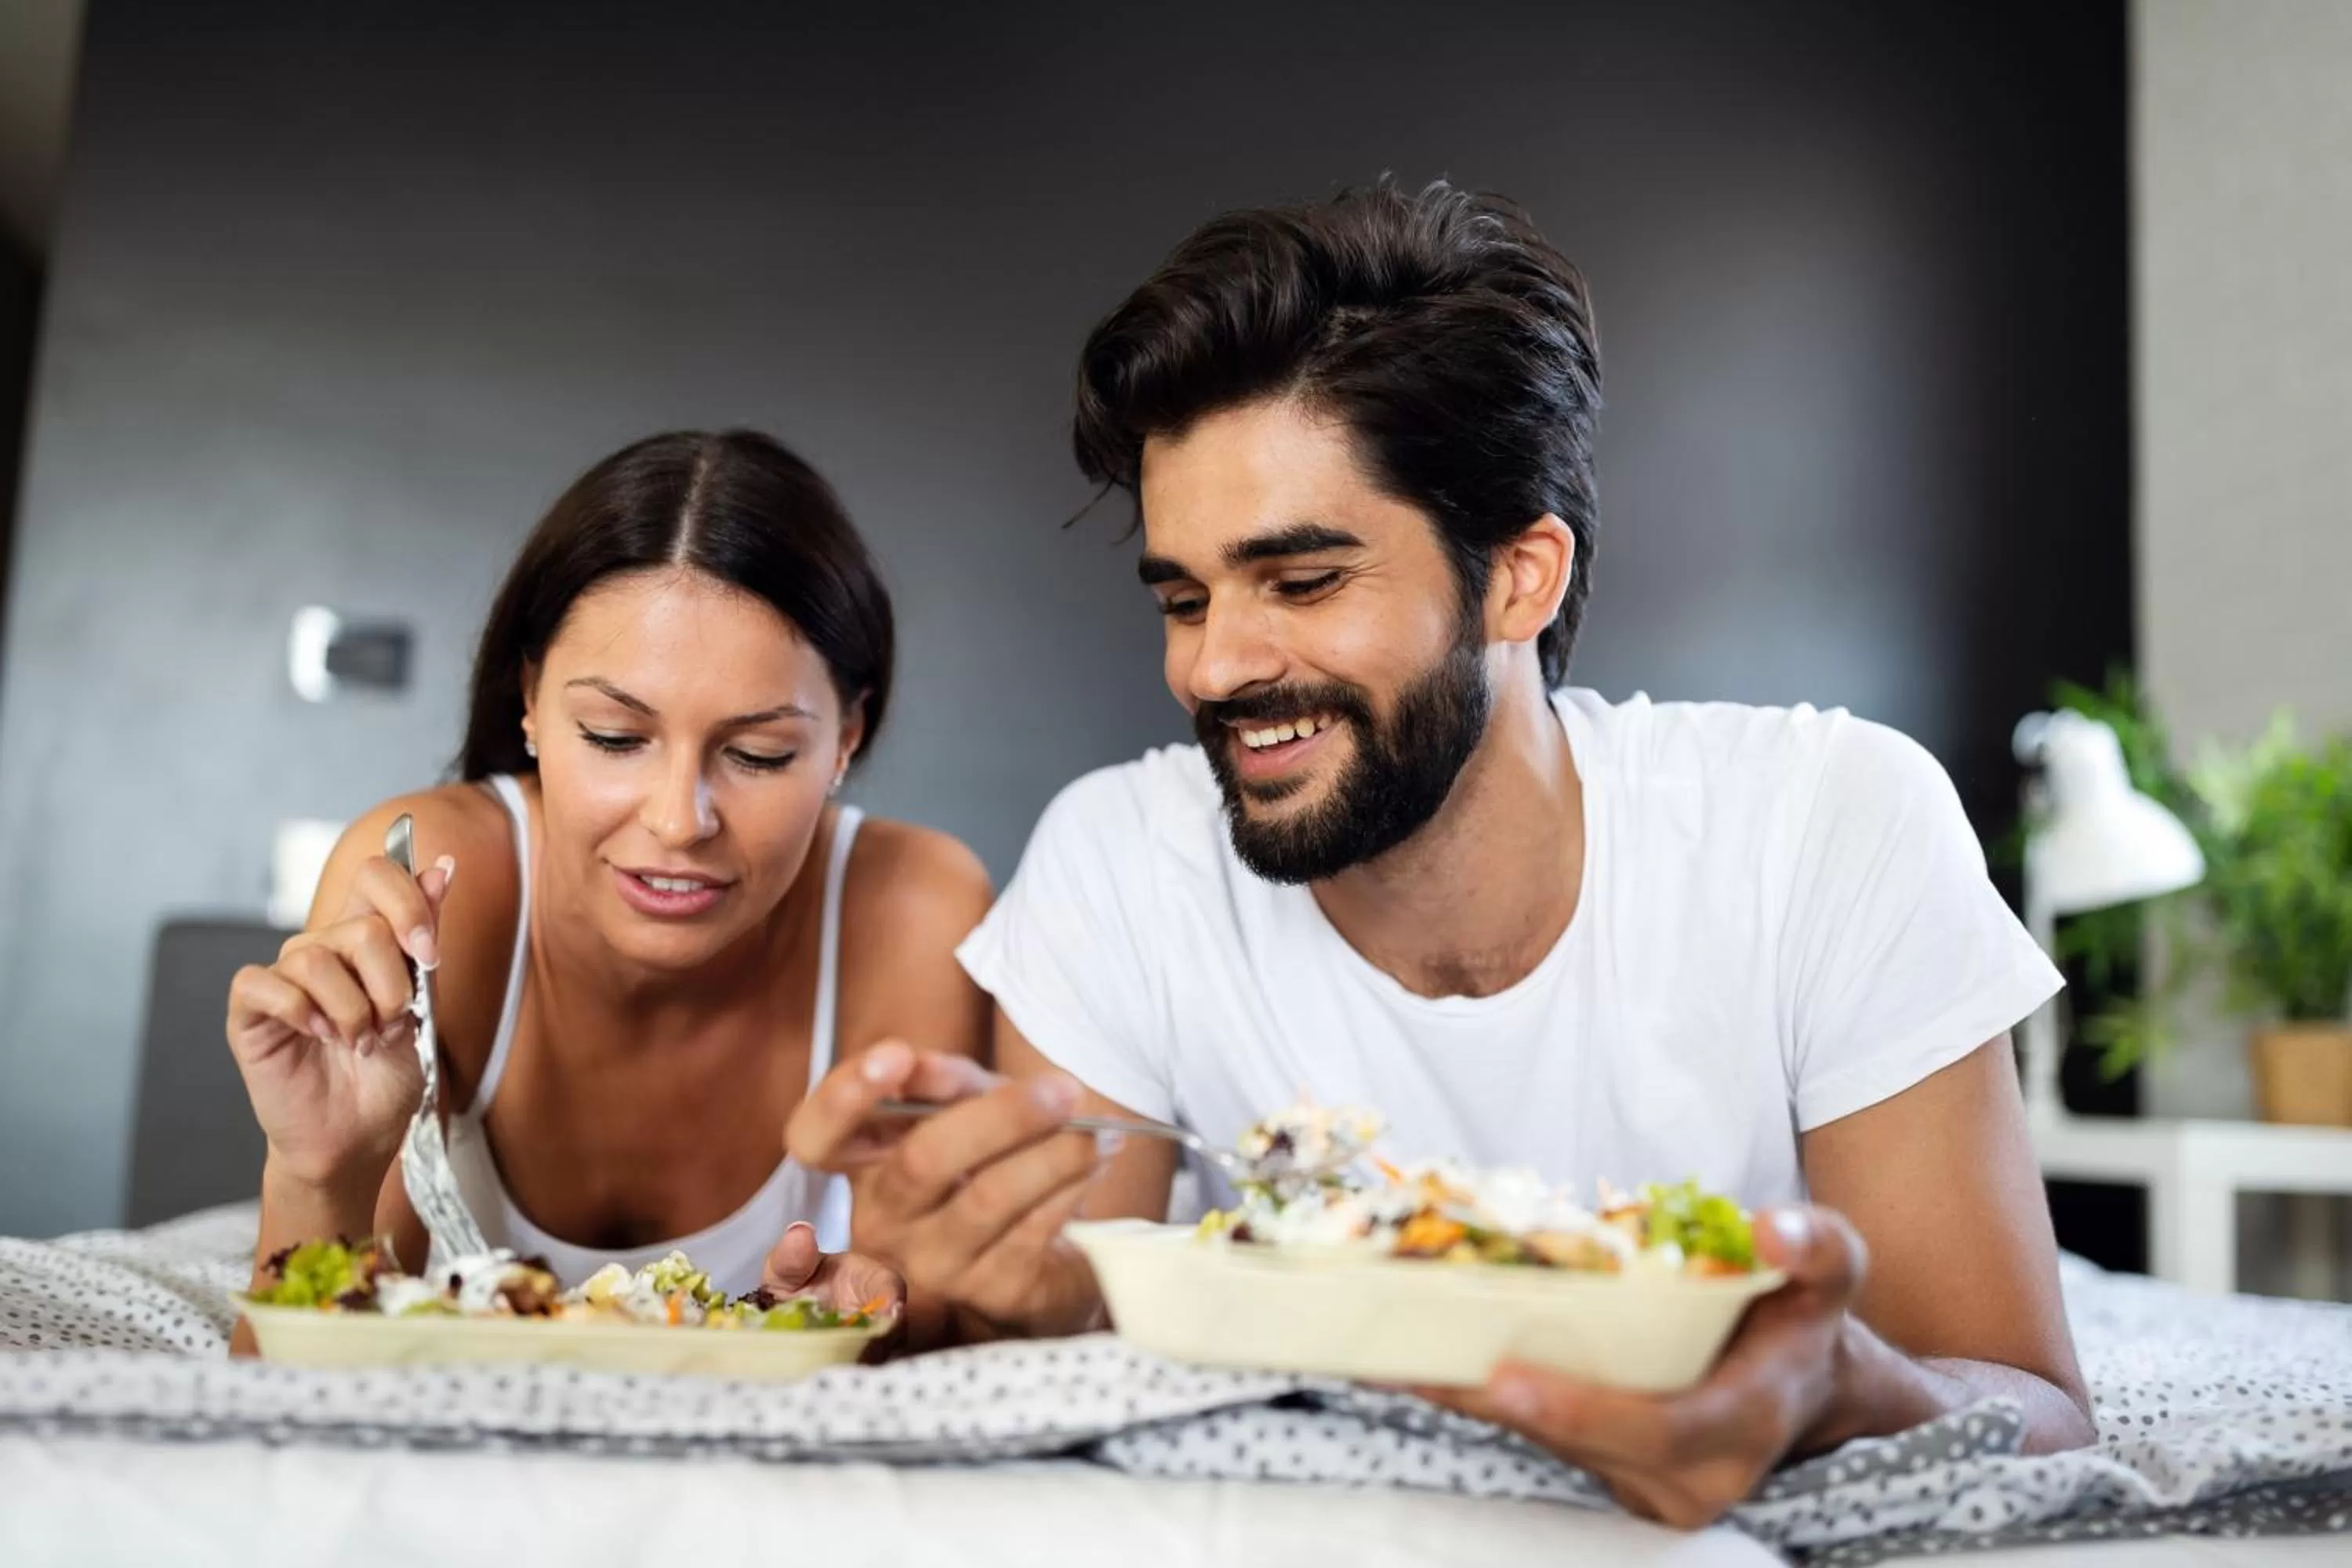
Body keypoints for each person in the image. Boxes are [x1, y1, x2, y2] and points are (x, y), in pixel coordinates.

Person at [788, 182, 2096, 1525]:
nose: (1215, 665)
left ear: (1518, 577)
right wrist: (933, 1297)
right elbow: (1064, 1328)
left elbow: (2035, 1411)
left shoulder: (1826, 824)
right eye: (1185, 597)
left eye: (1303, 583)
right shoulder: (1120, 864)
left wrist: (1841, 1391)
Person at [226, 429, 990, 1319]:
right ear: (531, 701)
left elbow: (930, 1341)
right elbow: (290, 1388)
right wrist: (320, 1176)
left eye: (758, 752)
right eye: (615, 738)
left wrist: (892, 1324)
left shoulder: (912, 906)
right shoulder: (435, 883)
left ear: (847, 738)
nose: (678, 819)